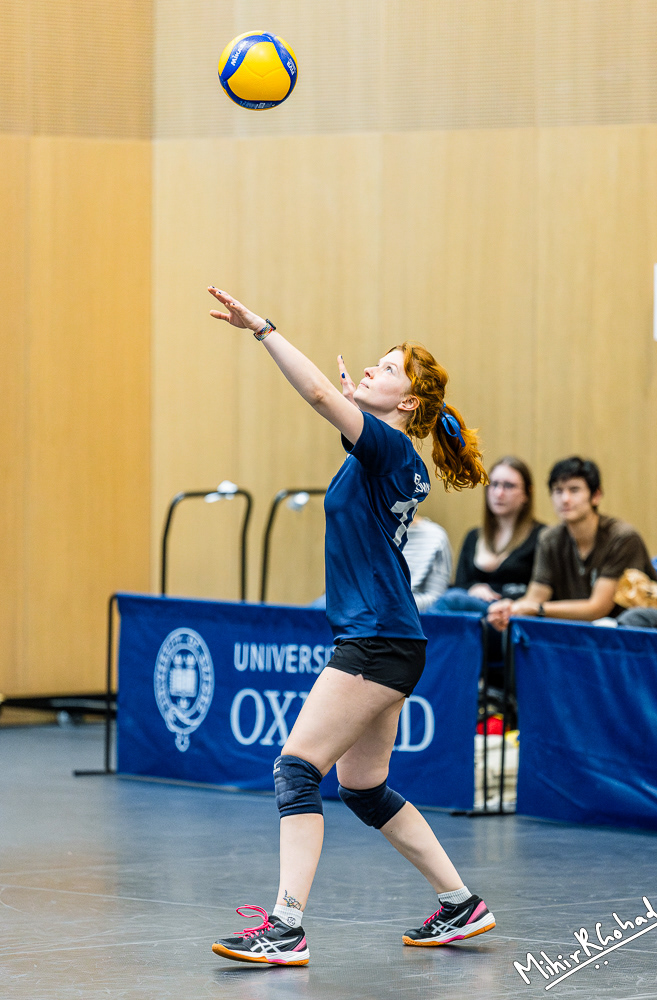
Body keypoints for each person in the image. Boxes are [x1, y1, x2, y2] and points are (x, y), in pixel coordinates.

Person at [207, 285, 495, 966]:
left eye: (386, 368)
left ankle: (285, 927)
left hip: (375, 639)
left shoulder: (394, 453)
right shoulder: (379, 456)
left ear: (409, 403)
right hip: (387, 638)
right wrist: (353, 409)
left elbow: (314, 396)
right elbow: (338, 415)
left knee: (294, 771)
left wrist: (263, 329)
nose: (370, 369)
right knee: (362, 789)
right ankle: (460, 905)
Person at [487, 456, 657, 631]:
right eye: (558, 491)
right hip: (576, 636)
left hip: (630, 639)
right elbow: (535, 598)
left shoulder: (622, 538)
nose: (565, 499)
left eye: (574, 490)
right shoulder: (550, 539)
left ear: (596, 496)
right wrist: (509, 608)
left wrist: (538, 609)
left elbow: (597, 609)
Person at [425, 456, 544, 615]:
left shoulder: (541, 536)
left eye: (508, 486)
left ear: (527, 494)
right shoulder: (474, 536)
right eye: (493, 485)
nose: (498, 493)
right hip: (473, 612)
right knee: (453, 598)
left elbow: (541, 589)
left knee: (452, 600)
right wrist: (474, 588)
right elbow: (461, 584)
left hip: (512, 612)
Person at [310, 513, 453, 612]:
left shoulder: (435, 537)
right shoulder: (362, 530)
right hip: (361, 608)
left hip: (408, 613)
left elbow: (437, 601)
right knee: (318, 608)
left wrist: (390, 604)